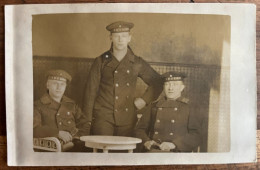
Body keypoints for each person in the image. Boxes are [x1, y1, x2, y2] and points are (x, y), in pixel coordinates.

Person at [83, 21, 163, 137]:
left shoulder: (136, 62)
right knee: (103, 149)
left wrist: (144, 100)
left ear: (129, 38)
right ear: (110, 38)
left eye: (124, 36)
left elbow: (158, 82)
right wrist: (87, 122)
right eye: (116, 36)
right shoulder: (100, 61)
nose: (120, 40)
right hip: (103, 116)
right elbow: (89, 93)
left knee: (124, 152)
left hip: (127, 119)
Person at [135, 71, 201, 152]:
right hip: (154, 150)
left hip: (177, 152)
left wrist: (174, 144)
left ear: (182, 87)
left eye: (175, 84)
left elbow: (196, 135)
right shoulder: (154, 106)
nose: (170, 88)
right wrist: (146, 141)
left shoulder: (190, 107)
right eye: (167, 84)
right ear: (163, 87)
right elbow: (139, 129)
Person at [33, 69, 90, 152]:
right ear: (48, 85)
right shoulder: (37, 105)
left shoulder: (71, 105)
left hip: (76, 146)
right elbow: (34, 129)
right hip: (49, 149)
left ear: (65, 86)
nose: (59, 87)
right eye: (55, 83)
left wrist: (75, 140)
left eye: (62, 84)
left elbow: (85, 124)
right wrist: (57, 133)